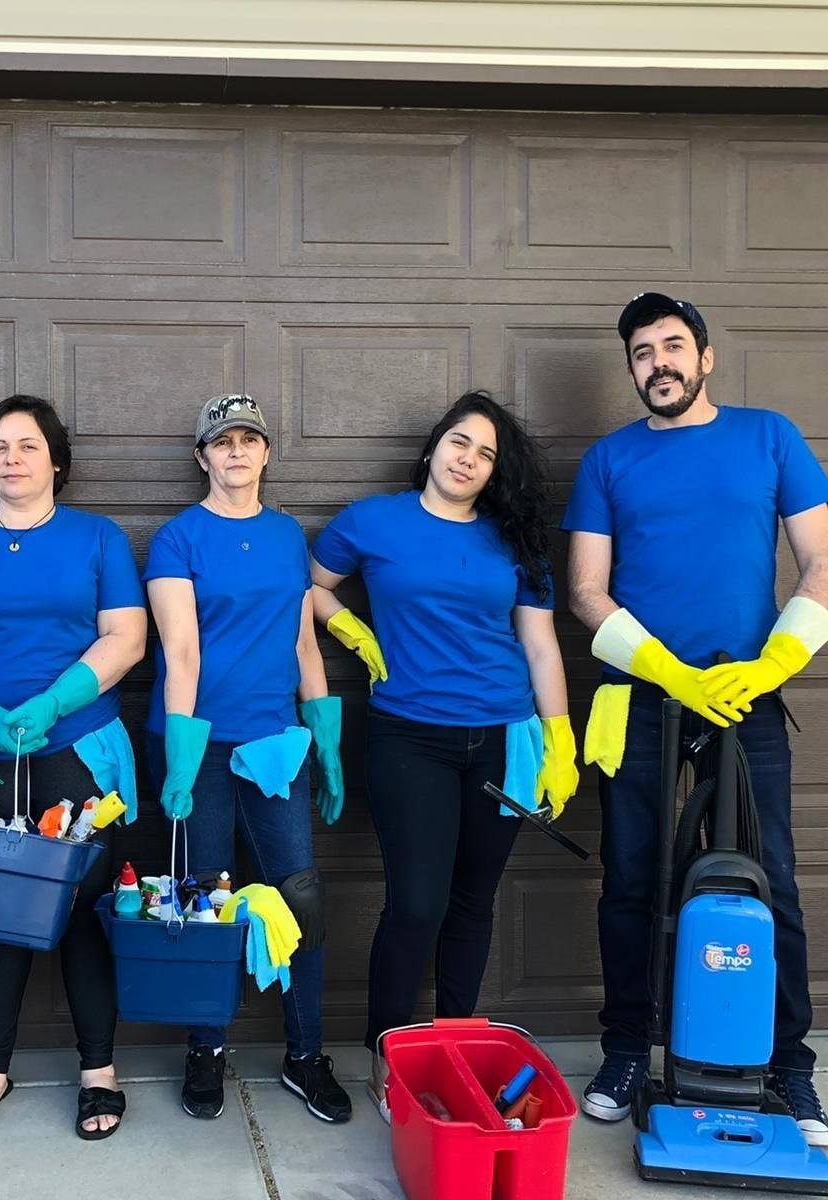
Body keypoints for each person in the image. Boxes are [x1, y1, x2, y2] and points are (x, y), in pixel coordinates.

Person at [564, 293, 828, 1142]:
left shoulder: (769, 437)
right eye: (643, 352)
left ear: (706, 358)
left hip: (745, 695)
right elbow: (585, 590)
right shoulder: (609, 459)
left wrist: (774, 664)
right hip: (640, 698)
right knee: (631, 881)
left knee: (770, 878)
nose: (659, 363)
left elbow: (822, 560)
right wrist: (671, 673)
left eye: (673, 346)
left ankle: (789, 1067)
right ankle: (625, 1051)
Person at [310, 391, 580, 1117]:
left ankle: (457, 1046)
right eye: (460, 442)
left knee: (472, 901)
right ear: (433, 447)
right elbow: (310, 583)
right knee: (416, 904)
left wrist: (559, 738)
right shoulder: (374, 521)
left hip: (505, 737)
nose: (469, 460)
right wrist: (349, 628)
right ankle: (389, 1059)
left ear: (494, 472)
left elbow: (539, 644)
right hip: (409, 736)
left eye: (486, 454)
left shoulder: (513, 540)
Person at [0, 394, 146, 1140]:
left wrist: (53, 702)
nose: (12, 458)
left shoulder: (97, 538)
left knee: (85, 908)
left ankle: (99, 1072)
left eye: (28, 445)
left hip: (79, 751)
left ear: (57, 462)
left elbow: (127, 637)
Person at [144, 393, 351, 1125]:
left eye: (249, 440)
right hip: (198, 746)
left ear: (266, 452)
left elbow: (303, 643)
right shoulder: (177, 539)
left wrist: (325, 738)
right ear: (202, 456)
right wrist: (180, 756)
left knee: (299, 900)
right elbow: (181, 650)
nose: (236, 451)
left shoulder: (288, 535)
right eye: (222, 441)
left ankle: (306, 1055)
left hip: (275, 746)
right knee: (206, 900)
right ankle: (206, 1049)